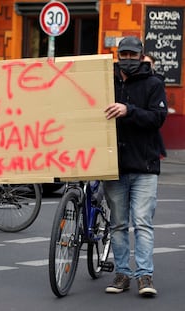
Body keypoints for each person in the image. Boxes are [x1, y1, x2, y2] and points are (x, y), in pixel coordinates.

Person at [103, 36, 167, 297]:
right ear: (118, 55)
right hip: (113, 166)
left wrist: (129, 111)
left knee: (142, 223)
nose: (127, 59)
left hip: (144, 166)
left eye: (132, 55)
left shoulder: (154, 84)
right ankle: (122, 275)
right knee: (118, 224)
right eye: (124, 54)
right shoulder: (107, 82)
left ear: (141, 57)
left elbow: (158, 118)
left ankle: (144, 276)